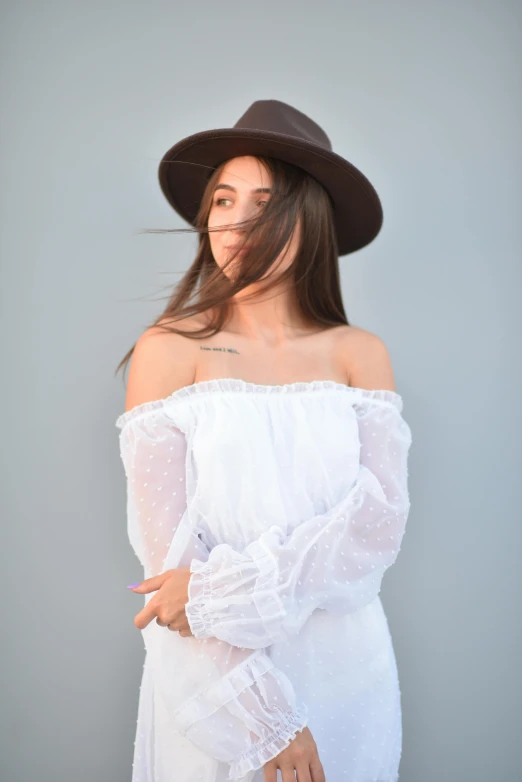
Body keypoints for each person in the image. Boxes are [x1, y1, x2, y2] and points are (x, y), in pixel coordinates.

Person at [115, 100, 413, 782]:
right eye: (223, 199)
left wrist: (222, 594)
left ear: (308, 218)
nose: (236, 220)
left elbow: (376, 528)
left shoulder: (358, 355)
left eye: (264, 201)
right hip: (213, 681)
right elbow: (168, 576)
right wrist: (266, 718)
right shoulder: (167, 351)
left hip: (346, 666)